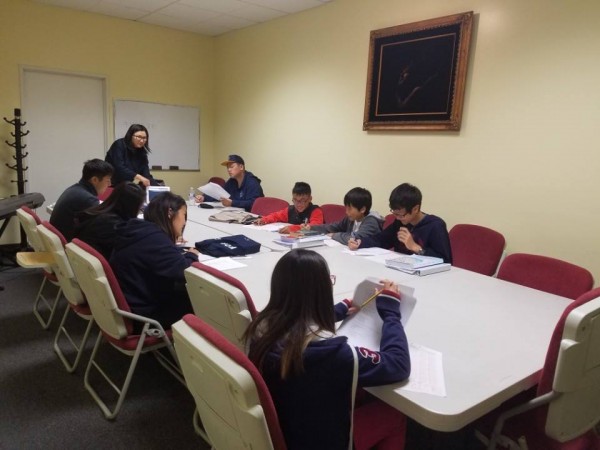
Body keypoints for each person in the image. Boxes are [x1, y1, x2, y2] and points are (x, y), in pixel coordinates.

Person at [244, 249, 410, 450]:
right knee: (394, 415)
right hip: (323, 441)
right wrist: (391, 312)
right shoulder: (332, 354)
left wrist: (336, 310)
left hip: (284, 426)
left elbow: (296, 316)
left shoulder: (259, 327)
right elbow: (398, 364)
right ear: (322, 291)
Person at [110, 191, 199, 329]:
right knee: (202, 300)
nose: (184, 221)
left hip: (130, 303)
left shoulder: (139, 230)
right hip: (146, 315)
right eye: (183, 215)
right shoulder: (155, 240)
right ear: (170, 213)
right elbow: (184, 271)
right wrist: (192, 255)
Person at [349, 183, 452, 263]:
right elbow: (381, 239)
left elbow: (446, 261)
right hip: (400, 270)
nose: (397, 218)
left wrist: (415, 247)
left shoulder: (435, 226)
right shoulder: (400, 222)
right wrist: (360, 242)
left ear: (415, 209)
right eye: (395, 213)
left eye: (401, 215)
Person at [73, 182, 145, 260]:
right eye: (140, 206)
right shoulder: (115, 227)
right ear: (131, 207)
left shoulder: (98, 212)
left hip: (81, 260)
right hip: (96, 262)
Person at [50, 158, 114, 241]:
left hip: (57, 240)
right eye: (108, 180)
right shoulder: (88, 199)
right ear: (94, 180)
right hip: (68, 244)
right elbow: (103, 226)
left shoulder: (74, 189)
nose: (110, 184)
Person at [308, 187, 383, 244]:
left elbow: (354, 238)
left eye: (349, 209)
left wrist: (334, 235)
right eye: (346, 208)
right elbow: (334, 227)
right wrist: (311, 228)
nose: (346, 212)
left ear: (362, 209)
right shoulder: (351, 218)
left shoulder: (371, 222)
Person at [196, 154, 263, 211]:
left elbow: (253, 203)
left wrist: (232, 203)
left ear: (241, 167)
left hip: (251, 216)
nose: (229, 170)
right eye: (227, 167)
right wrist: (204, 198)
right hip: (236, 213)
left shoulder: (252, 182)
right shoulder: (232, 181)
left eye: (231, 167)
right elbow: (220, 194)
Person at [254, 181, 323, 234]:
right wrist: (264, 220)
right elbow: (276, 216)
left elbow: (314, 226)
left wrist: (293, 229)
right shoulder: (290, 210)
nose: (298, 204)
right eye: (295, 200)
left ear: (310, 199)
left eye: (302, 201)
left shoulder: (315, 211)